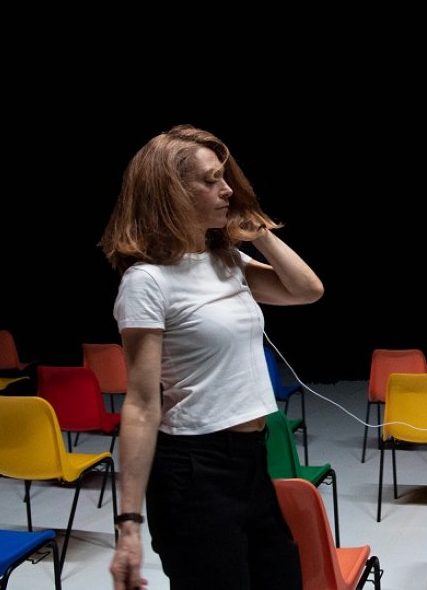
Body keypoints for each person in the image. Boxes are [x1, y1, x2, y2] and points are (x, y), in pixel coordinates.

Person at [101, 124, 323, 590]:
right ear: (171, 194)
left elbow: (307, 290)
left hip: (251, 459)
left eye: (225, 178)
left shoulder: (226, 261)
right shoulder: (147, 282)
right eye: (210, 180)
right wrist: (128, 525)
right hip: (193, 470)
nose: (228, 191)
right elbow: (140, 404)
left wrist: (259, 233)